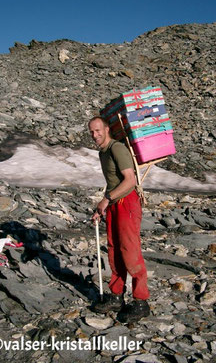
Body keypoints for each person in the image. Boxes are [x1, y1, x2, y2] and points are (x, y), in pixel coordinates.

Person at [88, 116, 150, 322]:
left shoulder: (117, 148)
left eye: (98, 130)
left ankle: (141, 302)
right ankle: (116, 295)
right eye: (91, 132)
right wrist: (102, 207)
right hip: (115, 204)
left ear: (107, 129)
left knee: (129, 250)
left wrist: (106, 200)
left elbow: (130, 180)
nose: (95, 135)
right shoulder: (102, 152)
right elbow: (112, 182)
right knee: (114, 250)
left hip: (127, 203)